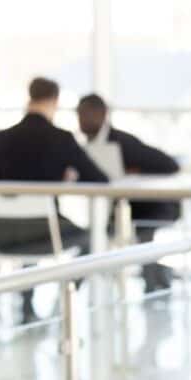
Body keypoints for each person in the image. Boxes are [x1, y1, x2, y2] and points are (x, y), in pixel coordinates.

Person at [0, 77, 108, 324]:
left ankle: (27, 302)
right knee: (91, 238)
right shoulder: (62, 139)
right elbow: (99, 179)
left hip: (3, 235)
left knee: (29, 223)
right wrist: (68, 179)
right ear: (55, 101)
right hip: (48, 234)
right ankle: (65, 297)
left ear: (30, 99)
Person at [76, 93, 181, 293]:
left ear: (102, 115)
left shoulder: (123, 142)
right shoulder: (85, 145)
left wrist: (135, 172)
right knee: (96, 237)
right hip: (118, 207)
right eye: (79, 115)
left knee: (140, 239)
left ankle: (153, 286)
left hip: (152, 207)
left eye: (86, 115)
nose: (82, 120)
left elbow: (170, 164)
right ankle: (73, 286)